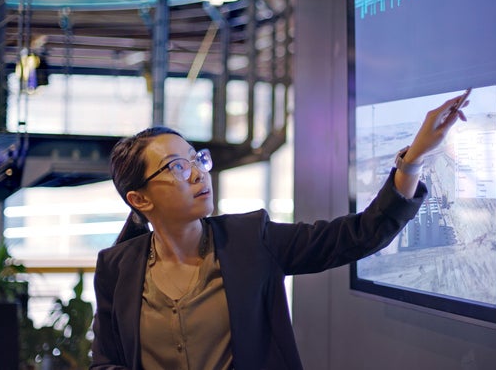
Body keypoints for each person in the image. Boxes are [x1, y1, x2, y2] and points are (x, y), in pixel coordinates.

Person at [90, 94, 469, 370]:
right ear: (139, 199)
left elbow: (360, 234)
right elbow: (105, 362)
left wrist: (413, 159)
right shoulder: (117, 266)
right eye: (176, 166)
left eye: (196, 158)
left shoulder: (251, 240)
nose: (197, 172)